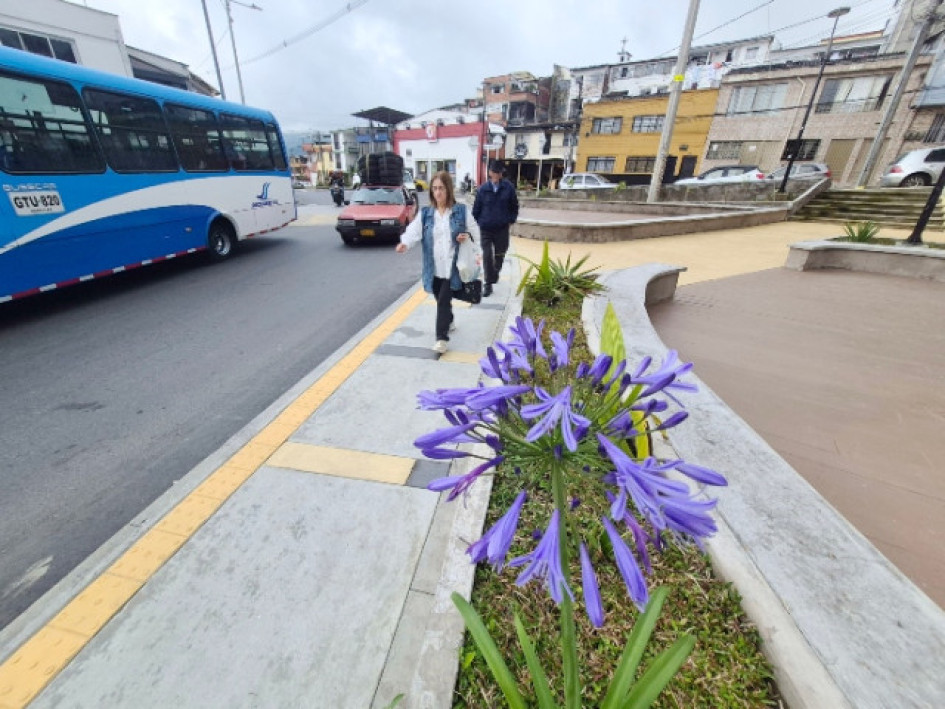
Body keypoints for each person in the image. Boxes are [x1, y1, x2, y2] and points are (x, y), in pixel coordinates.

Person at [396, 171, 480, 354]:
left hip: (452, 267)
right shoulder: (426, 213)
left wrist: (468, 238)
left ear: (448, 189)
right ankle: (449, 320)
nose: (438, 192)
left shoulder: (461, 210)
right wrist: (405, 243)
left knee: (443, 300)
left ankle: (441, 339)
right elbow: (414, 231)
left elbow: (475, 231)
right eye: (434, 188)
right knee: (440, 298)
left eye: (441, 188)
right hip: (434, 268)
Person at [472, 160, 519, 297]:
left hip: (502, 228)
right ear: (490, 173)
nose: (497, 175)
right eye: (495, 172)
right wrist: (476, 224)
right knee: (487, 255)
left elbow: (514, 206)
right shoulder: (482, 189)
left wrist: (511, 220)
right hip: (486, 228)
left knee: (500, 255)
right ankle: (488, 284)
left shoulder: (508, 188)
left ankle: (495, 272)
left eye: (500, 173)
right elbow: (476, 210)